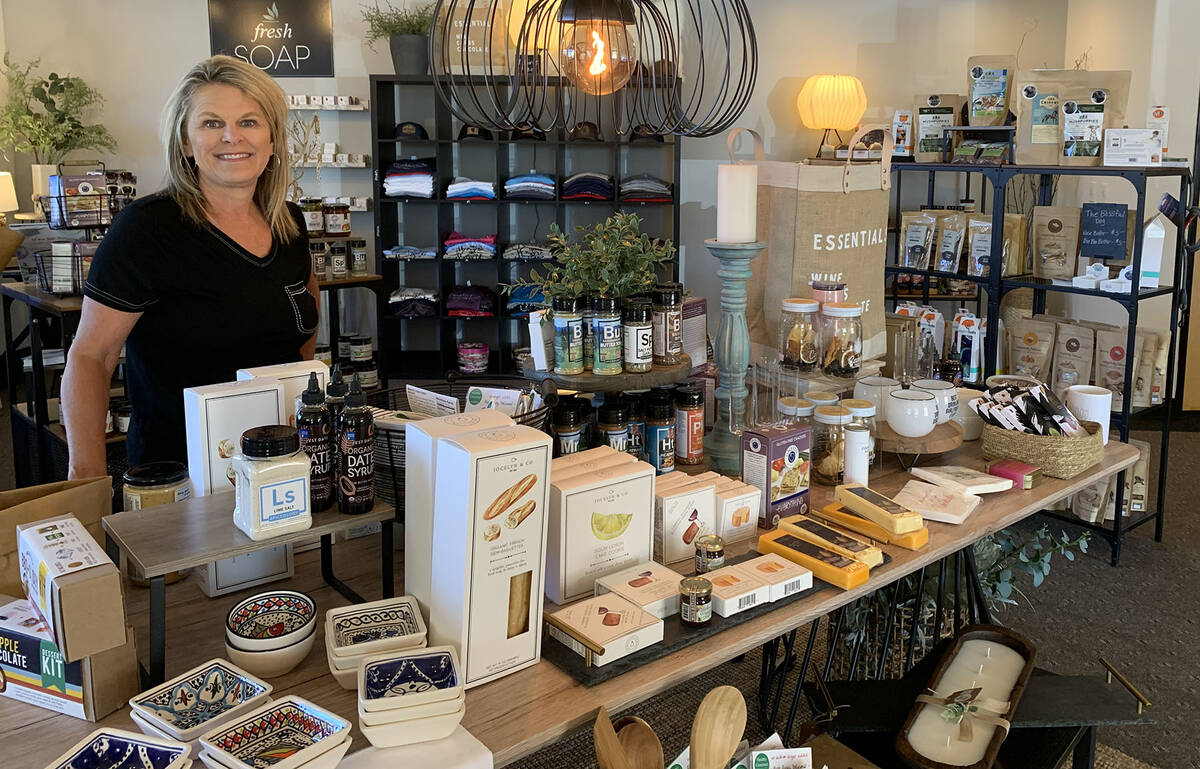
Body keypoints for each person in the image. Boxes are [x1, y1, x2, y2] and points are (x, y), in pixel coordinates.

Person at [63, 55, 317, 478]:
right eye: (211, 123)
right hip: (178, 476)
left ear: (272, 139)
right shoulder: (148, 229)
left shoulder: (289, 223)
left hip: (281, 466)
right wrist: (86, 478)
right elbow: (92, 356)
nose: (232, 136)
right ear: (185, 141)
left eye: (249, 122)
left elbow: (303, 326)